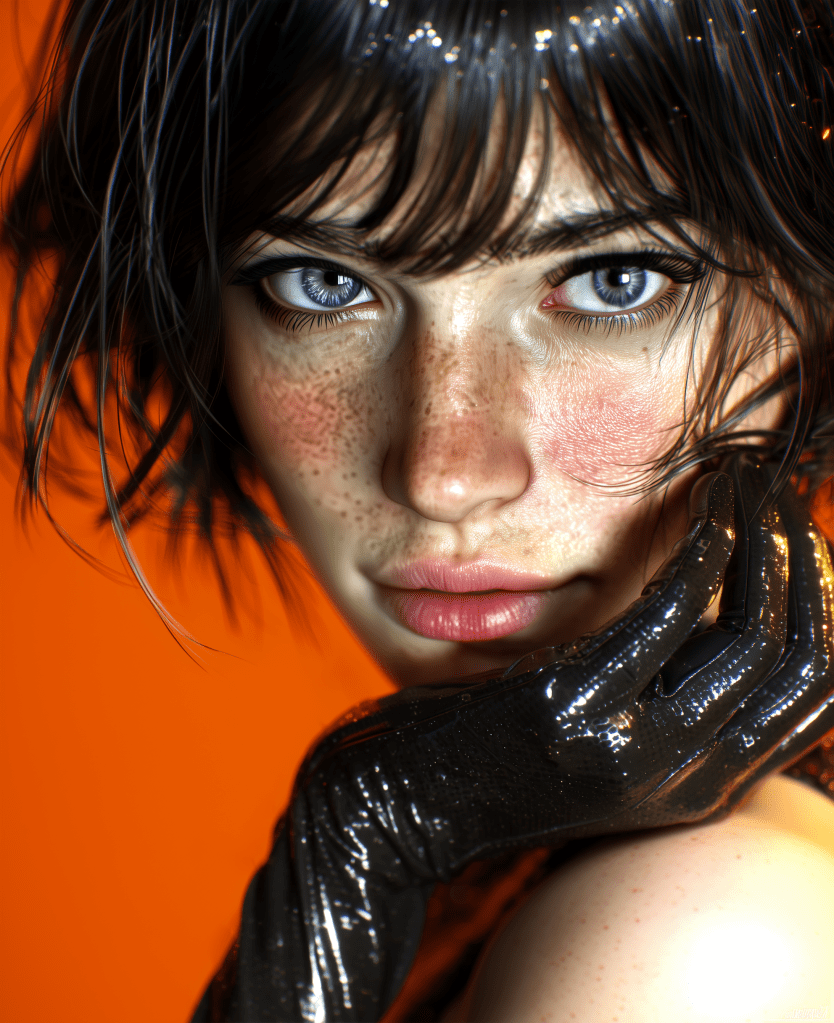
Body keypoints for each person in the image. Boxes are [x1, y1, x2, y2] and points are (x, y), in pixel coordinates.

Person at [3, 0, 834, 1020]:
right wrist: (366, 837)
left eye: (614, 281)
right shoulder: (516, 876)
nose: (441, 473)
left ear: (808, 300)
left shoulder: (705, 937)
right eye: (320, 284)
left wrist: (368, 828)